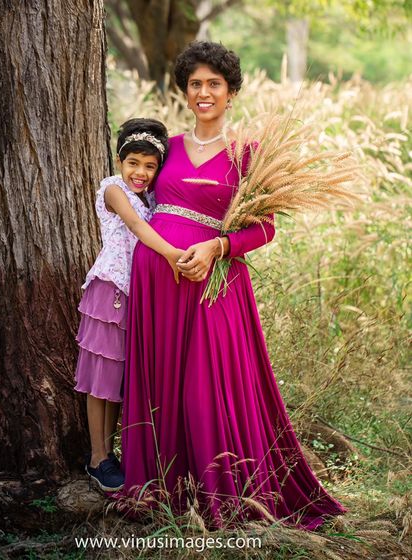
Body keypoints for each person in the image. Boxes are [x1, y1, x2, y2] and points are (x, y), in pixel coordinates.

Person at [119, 42, 346, 529]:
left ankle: (220, 492)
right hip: (158, 284)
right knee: (162, 381)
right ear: (185, 91)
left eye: (213, 84)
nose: (204, 93)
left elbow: (265, 229)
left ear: (231, 92)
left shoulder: (250, 153)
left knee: (206, 386)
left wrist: (216, 248)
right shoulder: (167, 149)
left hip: (214, 286)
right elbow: (134, 196)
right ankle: (160, 485)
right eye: (195, 84)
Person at [74, 118, 182, 492]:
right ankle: (96, 458)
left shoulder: (152, 198)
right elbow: (136, 226)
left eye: (150, 166)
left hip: (136, 296)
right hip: (111, 291)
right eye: (133, 162)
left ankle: (110, 452)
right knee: (101, 378)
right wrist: (173, 254)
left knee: (118, 380)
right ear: (120, 160)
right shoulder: (114, 189)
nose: (141, 172)